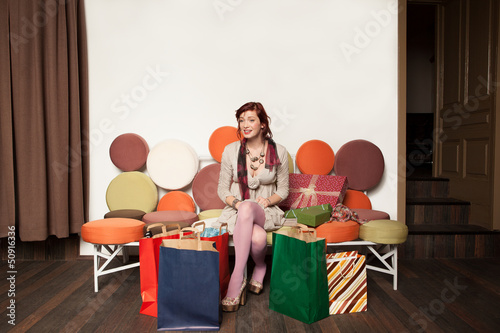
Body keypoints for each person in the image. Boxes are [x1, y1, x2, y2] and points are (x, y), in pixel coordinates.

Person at [216, 102, 289, 312]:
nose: (245, 125)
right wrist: (238, 203)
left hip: (265, 210)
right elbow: (222, 189)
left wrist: (268, 200)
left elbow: (283, 190)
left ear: (263, 124)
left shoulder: (280, 152)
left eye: (251, 120)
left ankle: (236, 278)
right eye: (241, 120)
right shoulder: (230, 151)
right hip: (240, 209)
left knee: (249, 208)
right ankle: (260, 265)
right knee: (257, 237)